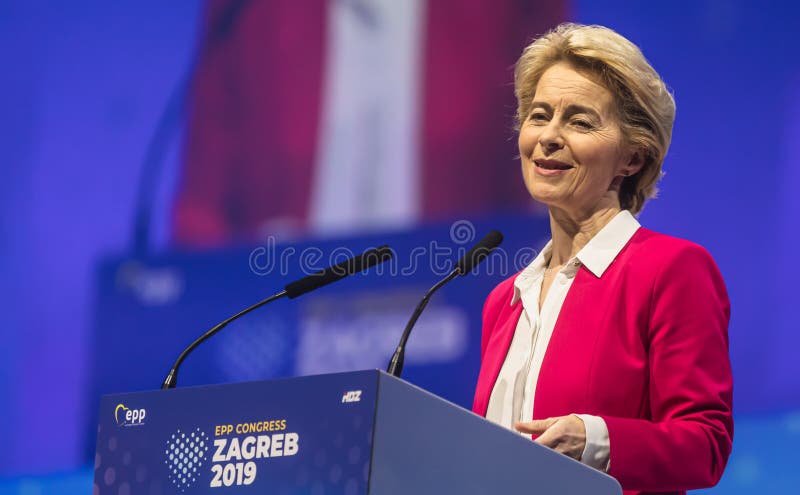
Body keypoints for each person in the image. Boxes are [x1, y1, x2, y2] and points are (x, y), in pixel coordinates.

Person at [471, 23, 733, 495]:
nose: (549, 136)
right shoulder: (504, 301)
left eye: (579, 121)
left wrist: (595, 439)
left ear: (632, 157)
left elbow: (705, 443)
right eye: (539, 115)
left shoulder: (671, 270)